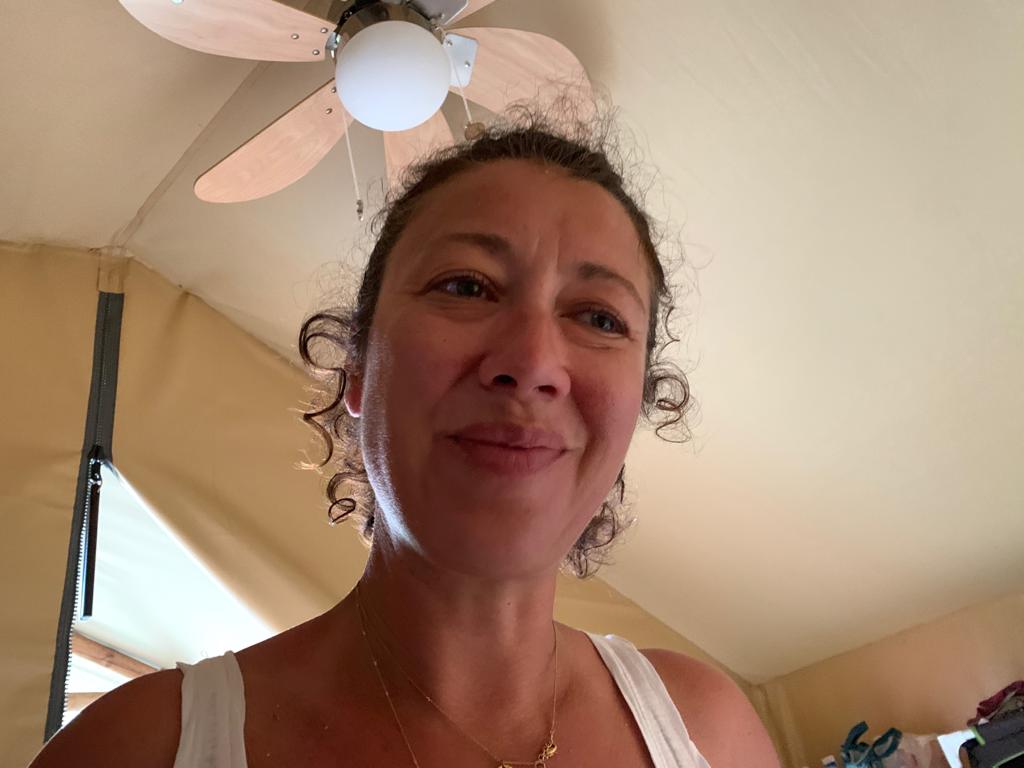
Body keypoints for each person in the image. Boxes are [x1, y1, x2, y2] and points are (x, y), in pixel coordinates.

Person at [30, 110, 779, 767]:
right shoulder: (135, 748)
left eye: (599, 317)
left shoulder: (707, 729)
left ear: (637, 402)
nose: (531, 362)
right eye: (466, 286)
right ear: (356, 368)